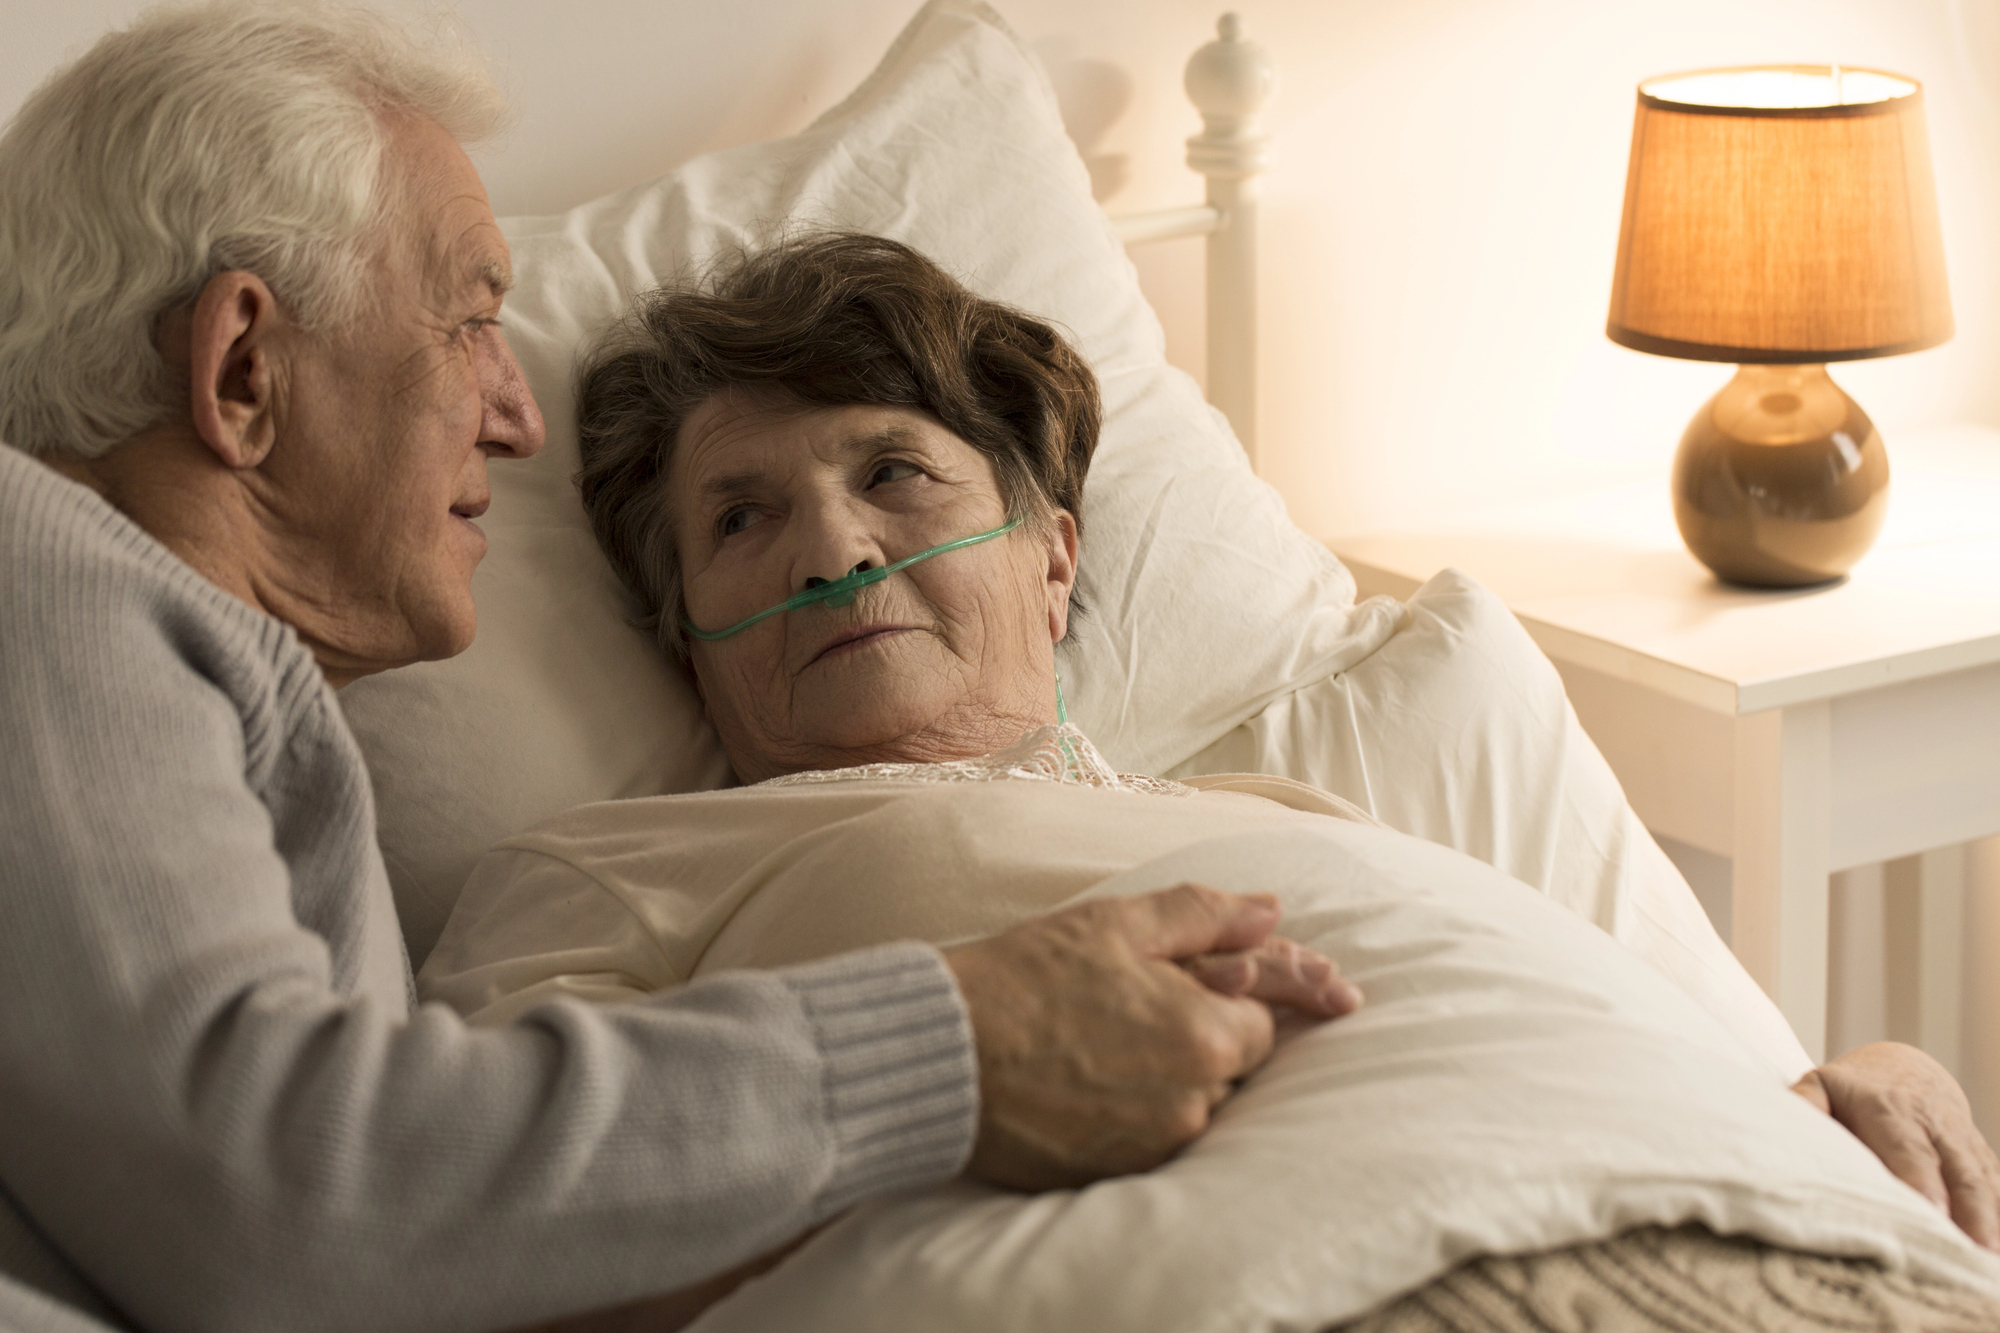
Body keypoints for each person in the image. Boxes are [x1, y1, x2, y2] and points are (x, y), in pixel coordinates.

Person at [0, 7, 1353, 1332]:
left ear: (1059, 556)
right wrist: (962, 1048)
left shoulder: (215, 698)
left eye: (894, 472)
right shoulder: (44, 575)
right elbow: (276, 1197)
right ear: (243, 369)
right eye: (473, 322)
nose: (518, 414)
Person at [420, 232, 2000, 1273]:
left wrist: (1843, 1085)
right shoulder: (603, 874)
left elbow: (1603, 1045)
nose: (831, 540)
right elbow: (452, 1243)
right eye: (740, 516)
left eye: (893, 470)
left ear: (1052, 556)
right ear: (688, 635)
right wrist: (945, 1090)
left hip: (1710, 1240)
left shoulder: (1294, 811)